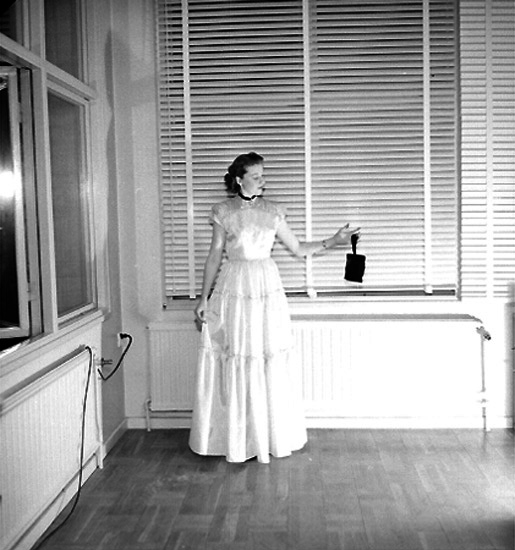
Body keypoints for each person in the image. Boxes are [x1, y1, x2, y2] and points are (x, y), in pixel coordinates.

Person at [189, 152, 360, 464]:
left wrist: (334, 240)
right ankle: (237, 439)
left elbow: (298, 248)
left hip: (266, 288)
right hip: (234, 285)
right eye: (256, 176)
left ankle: (267, 436)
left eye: (262, 175)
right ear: (239, 179)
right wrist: (203, 298)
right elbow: (214, 255)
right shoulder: (224, 212)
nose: (262, 181)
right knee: (237, 354)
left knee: (265, 355)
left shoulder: (272, 212)